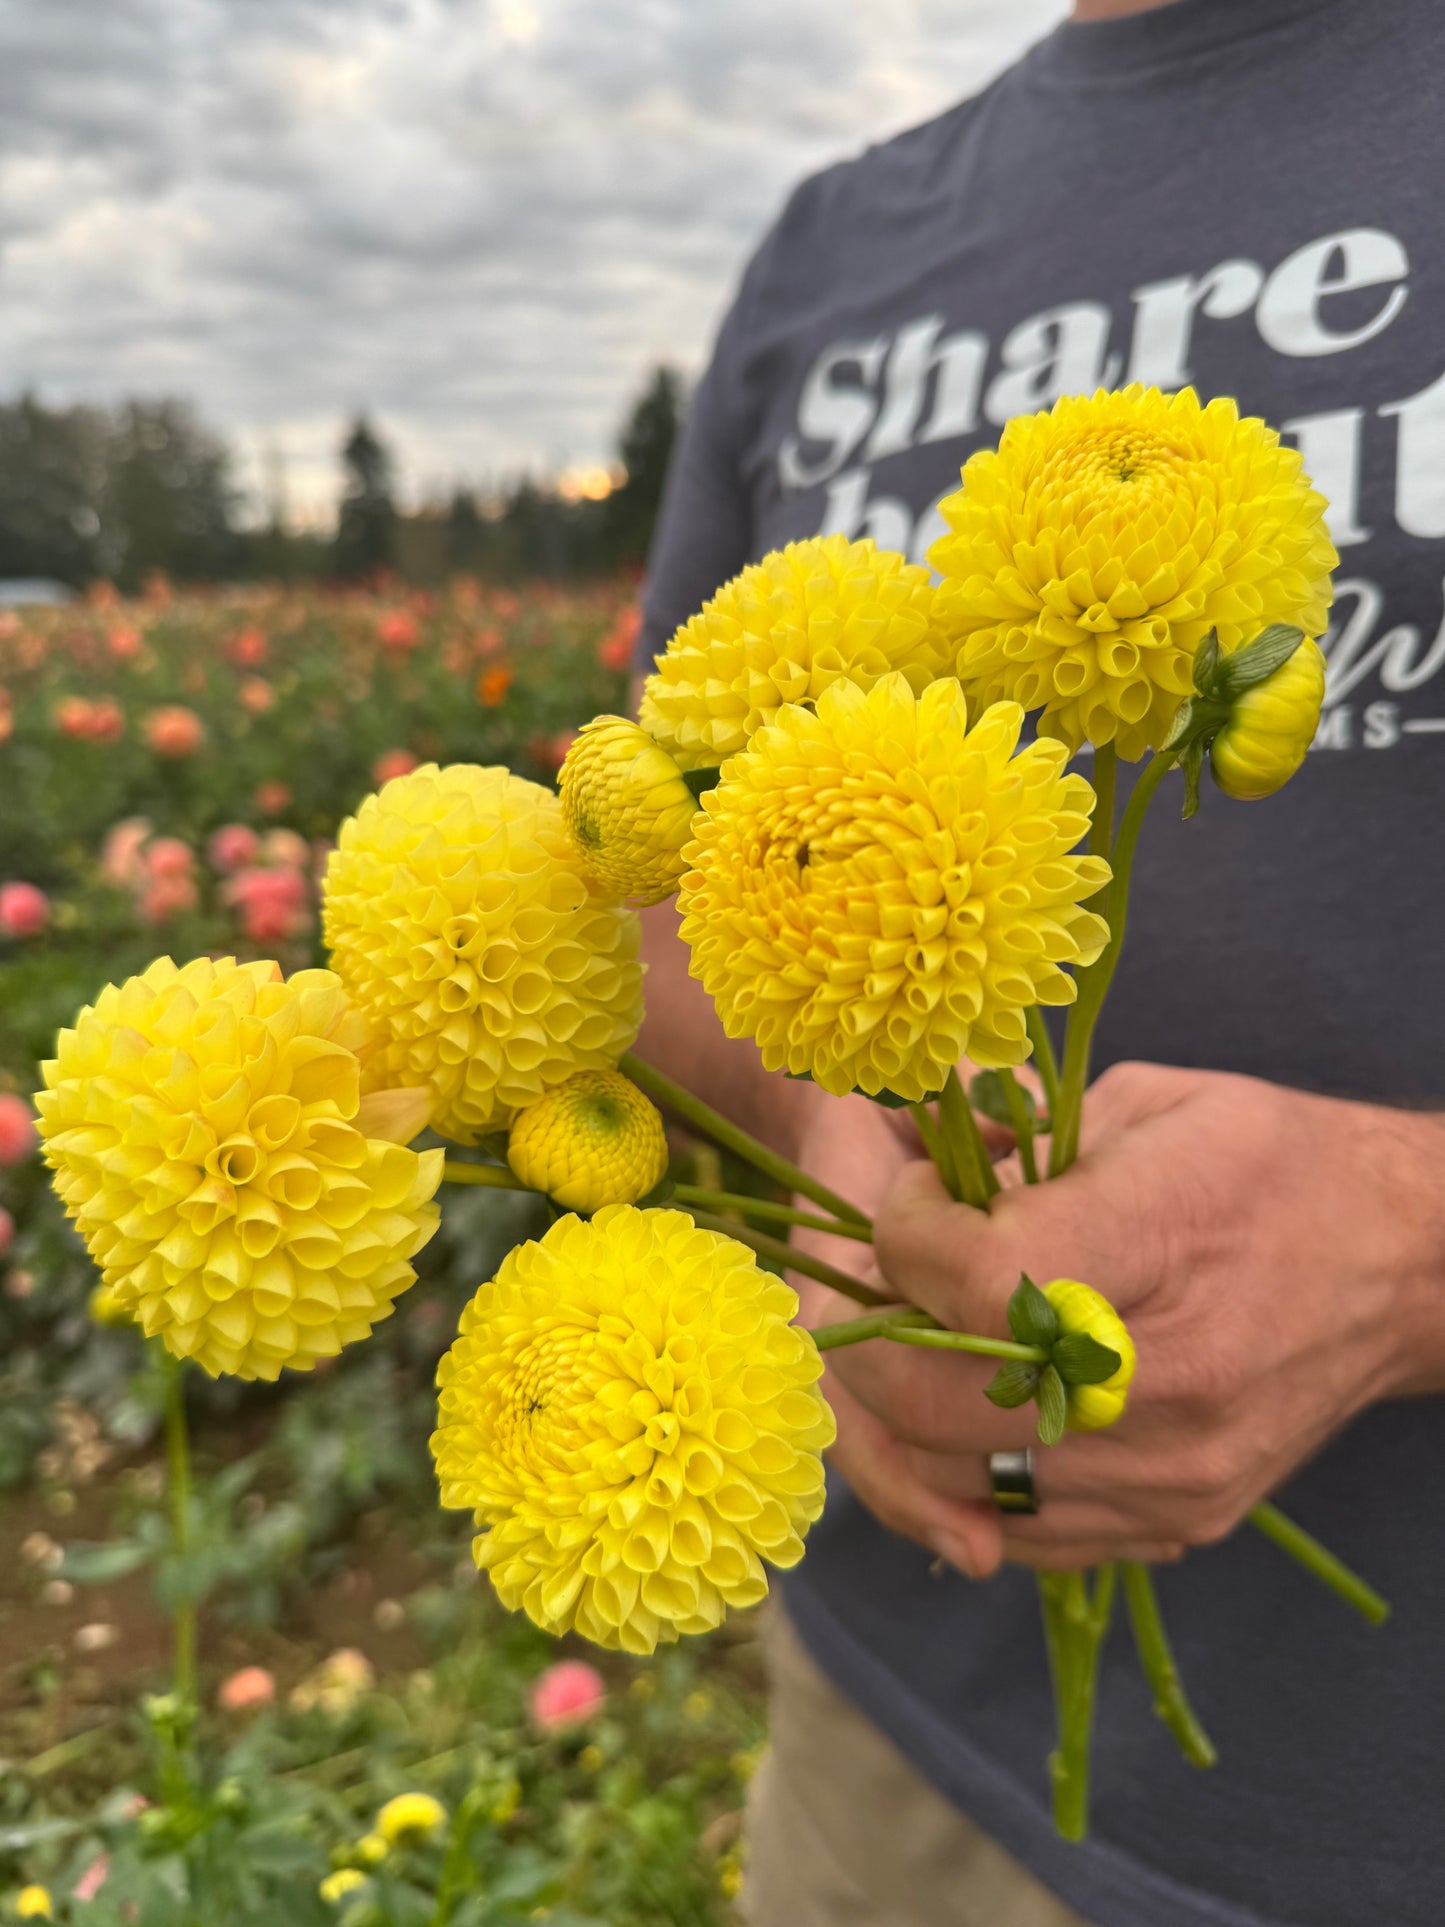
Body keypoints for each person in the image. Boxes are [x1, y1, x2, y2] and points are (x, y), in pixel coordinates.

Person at [631, 0, 1445, 1921]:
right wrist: (823, 1135)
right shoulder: (834, 241)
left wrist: (1406, 1252)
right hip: (886, 1740)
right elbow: (647, 875)